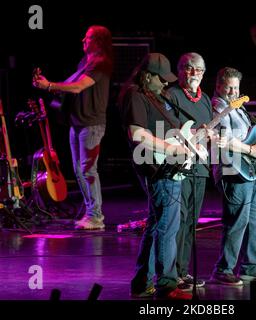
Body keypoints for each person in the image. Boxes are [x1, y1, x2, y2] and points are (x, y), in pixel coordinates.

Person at [118, 52, 192, 300]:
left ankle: (141, 283)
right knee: (167, 228)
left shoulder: (156, 95)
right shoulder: (135, 95)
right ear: (147, 76)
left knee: (156, 225)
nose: (166, 83)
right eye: (161, 79)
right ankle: (167, 285)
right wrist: (172, 149)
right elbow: (137, 135)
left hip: (167, 166)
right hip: (157, 168)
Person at [33, 25, 113, 230]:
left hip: (92, 123)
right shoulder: (85, 62)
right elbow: (70, 84)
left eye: (87, 38)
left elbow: (78, 87)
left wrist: (49, 85)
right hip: (77, 123)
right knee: (79, 170)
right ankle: (90, 212)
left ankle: (96, 216)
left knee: (88, 170)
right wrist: (47, 84)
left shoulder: (101, 63)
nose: (83, 41)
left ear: (98, 41)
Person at [211, 67, 256, 285]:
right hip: (233, 169)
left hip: (248, 169)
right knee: (237, 221)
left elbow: (246, 137)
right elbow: (225, 138)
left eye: (237, 87)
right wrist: (251, 150)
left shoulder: (239, 107)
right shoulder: (218, 106)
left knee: (255, 217)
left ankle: (251, 265)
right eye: (229, 87)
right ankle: (223, 269)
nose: (234, 91)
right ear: (219, 86)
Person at [167, 52, 213, 290]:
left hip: (200, 168)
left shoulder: (205, 99)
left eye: (199, 69)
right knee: (179, 220)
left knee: (191, 222)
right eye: (189, 68)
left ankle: (183, 271)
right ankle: (171, 273)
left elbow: (209, 134)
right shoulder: (171, 95)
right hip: (179, 166)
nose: (194, 73)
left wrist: (213, 136)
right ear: (179, 70)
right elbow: (166, 131)